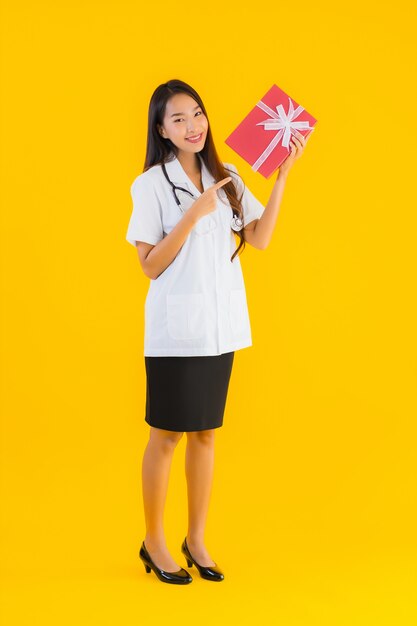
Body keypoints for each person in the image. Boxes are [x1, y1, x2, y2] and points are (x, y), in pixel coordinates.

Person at [126, 79, 310, 584]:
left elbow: (261, 237)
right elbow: (149, 265)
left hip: (218, 329)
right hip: (174, 332)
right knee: (166, 435)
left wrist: (282, 177)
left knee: (206, 433)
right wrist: (192, 214)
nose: (192, 125)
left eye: (197, 113)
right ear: (161, 130)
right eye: (178, 119)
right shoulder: (150, 185)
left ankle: (197, 538)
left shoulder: (224, 176)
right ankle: (155, 541)